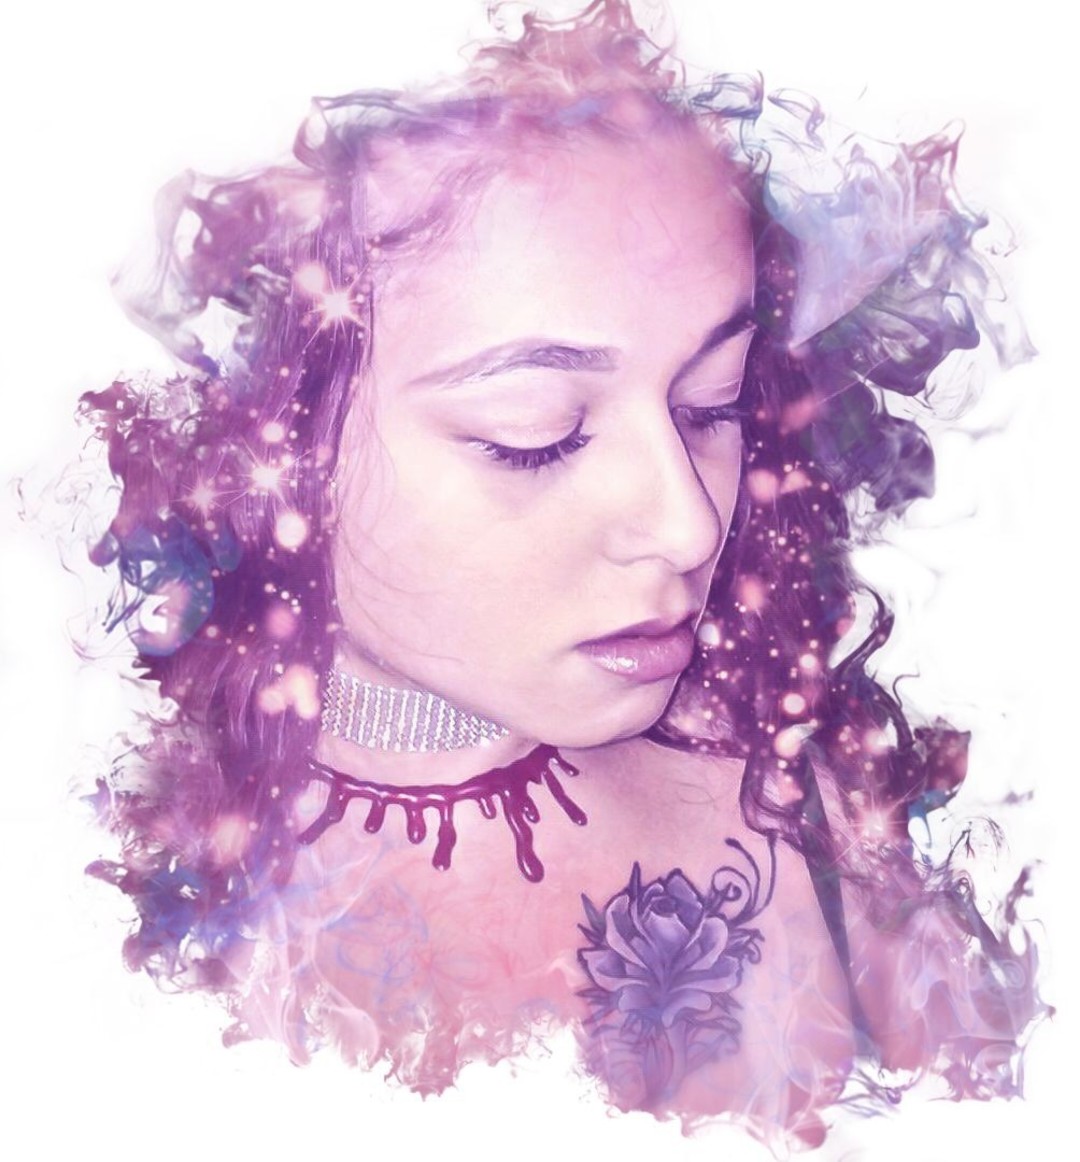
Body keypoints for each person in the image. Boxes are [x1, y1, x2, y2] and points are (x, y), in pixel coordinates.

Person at [76, 0, 1042, 1148]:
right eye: (533, 435)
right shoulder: (98, 918)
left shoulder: (814, 799)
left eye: (712, 403)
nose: (688, 524)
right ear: (271, 445)